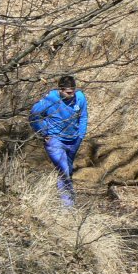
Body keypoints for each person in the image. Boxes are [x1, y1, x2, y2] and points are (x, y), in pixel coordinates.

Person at [29, 75, 88, 208]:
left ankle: (66, 201)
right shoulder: (50, 99)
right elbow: (34, 116)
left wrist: (81, 135)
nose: (71, 95)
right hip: (54, 140)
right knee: (64, 169)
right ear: (60, 90)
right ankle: (68, 206)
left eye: (73, 91)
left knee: (68, 171)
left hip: (74, 140)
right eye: (68, 92)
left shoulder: (80, 97)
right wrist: (44, 132)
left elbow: (83, 116)